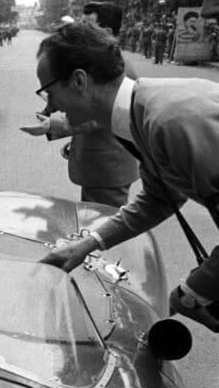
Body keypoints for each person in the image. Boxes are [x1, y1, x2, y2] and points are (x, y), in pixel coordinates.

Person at [35, 22, 219, 333]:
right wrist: (87, 245)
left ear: (79, 80)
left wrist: (189, 294)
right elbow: (161, 198)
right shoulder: (142, 113)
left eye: (49, 91)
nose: (50, 106)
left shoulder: (168, 121)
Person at [21, 2, 139, 208]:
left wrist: (55, 125)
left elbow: (102, 117)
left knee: (102, 227)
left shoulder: (120, 68)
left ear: (106, 32)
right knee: (92, 223)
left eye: (87, 25)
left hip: (109, 169)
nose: (79, 29)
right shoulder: (97, 63)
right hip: (96, 166)